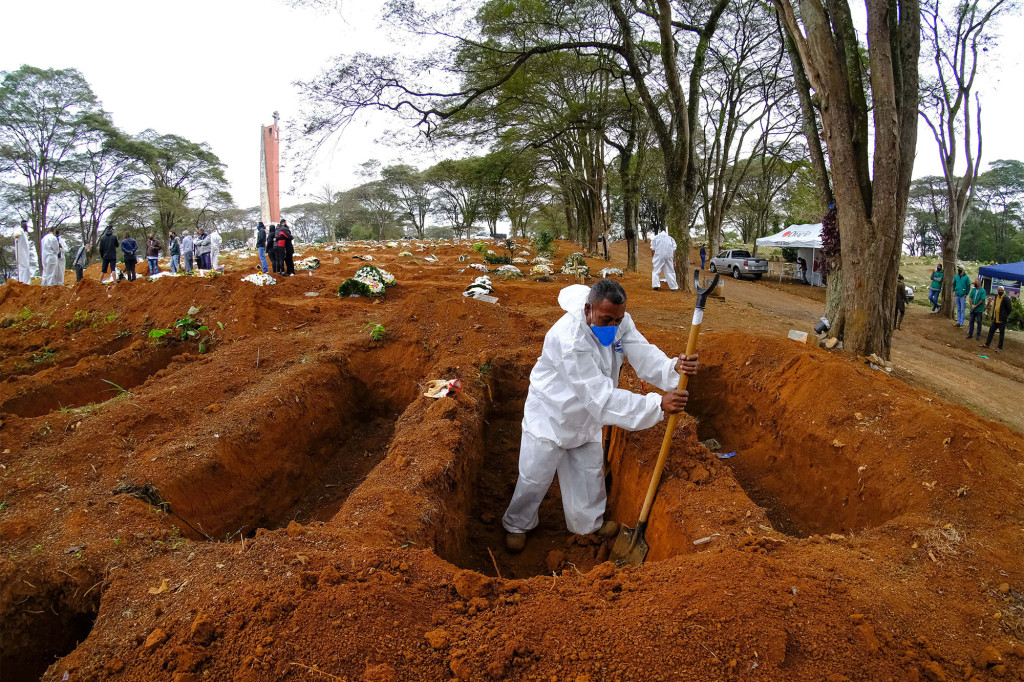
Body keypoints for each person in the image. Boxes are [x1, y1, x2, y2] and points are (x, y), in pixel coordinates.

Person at [502, 280, 699, 552]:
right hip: (551, 414)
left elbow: (643, 354)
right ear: (588, 309)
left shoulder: (619, 319)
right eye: (606, 319)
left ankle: (587, 525)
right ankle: (517, 524)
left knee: (588, 473)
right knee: (535, 475)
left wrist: (672, 368)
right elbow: (601, 398)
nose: (613, 327)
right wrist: (657, 405)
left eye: (618, 320)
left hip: (586, 416)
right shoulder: (569, 340)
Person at [981, 286, 1012, 353]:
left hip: (1002, 319)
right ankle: (987, 344)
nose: (1000, 291)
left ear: (1003, 291)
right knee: (991, 331)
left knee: (1001, 334)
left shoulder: (1006, 299)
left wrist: (1004, 315)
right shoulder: (997, 297)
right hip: (996, 318)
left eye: (1001, 290)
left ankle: (999, 348)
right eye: (999, 290)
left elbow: (1009, 309)